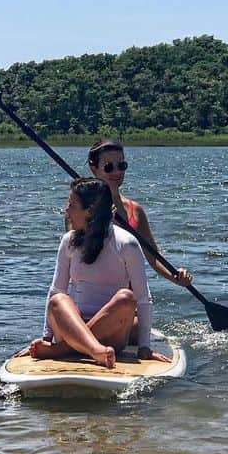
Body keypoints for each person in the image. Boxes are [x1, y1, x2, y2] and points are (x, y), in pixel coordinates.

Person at [28, 177, 170, 367]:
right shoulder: (68, 241)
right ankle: (95, 350)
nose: (66, 210)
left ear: (90, 211)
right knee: (58, 300)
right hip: (71, 328)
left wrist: (145, 347)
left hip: (112, 335)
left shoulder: (126, 243)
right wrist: (46, 337)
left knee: (127, 298)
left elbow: (144, 298)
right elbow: (56, 290)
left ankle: (64, 350)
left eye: (72, 204)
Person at [87, 139, 193, 288]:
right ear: (94, 169)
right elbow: (76, 251)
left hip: (130, 296)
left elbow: (154, 256)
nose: (117, 172)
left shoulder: (135, 210)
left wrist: (175, 276)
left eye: (121, 165)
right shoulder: (81, 207)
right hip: (91, 293)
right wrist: (102, 223)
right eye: (109, 167)